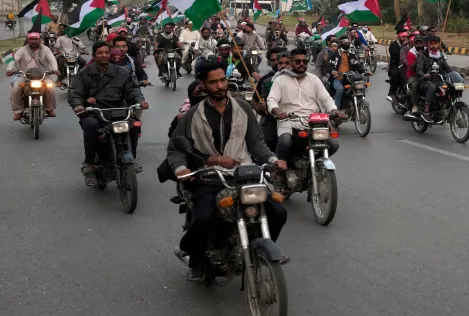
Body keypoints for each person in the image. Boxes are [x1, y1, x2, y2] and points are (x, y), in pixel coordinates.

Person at [167, 60, 289, 279]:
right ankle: (194, 255)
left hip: (244, 173)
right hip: (210, 177)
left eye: (223, 80)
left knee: (278, 212)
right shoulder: (193, 114)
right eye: (213, 82)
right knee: (203, 218)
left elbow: (256, 143)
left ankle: (258, 249)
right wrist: (181, 168)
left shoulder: (243, 108)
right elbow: (176, 149)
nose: (220, 86)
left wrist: (272, 159)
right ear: (203, 85)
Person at [68, 41, 149, 186]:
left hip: (119, 112)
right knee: (91, 127)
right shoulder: (84, 73)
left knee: (135, 125)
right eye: (100, 53)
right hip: (94, 113)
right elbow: (75, 93)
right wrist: (80, 105)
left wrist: (140, 101)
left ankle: (132, 157)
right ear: (94, 55)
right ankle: (90, 164)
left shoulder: (122, 72)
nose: (104, 55)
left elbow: (133, 90)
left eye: (106, 52)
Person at [267, 48, 342, 162]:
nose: (302, 63)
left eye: (304, 61)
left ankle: (309, 163)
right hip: (288, 120)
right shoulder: (280, 80)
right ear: (291, 62)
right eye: (298, 61)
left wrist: (333, 110)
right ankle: (281, 168)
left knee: (333, 145)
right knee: (285, 141)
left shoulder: (314, 79)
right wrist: (278, 112)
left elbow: (326, 98)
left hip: (312, 121)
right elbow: (271, 100)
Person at [6, 31, 59, 120]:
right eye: (31, 39)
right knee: (16, 88)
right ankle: (18, 111)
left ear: (40, 40)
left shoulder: (46, 49)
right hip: (25, 76)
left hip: (43, 75)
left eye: (36, 39)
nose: (34, 41)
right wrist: (9, 69)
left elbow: (52, 60)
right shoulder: (22, 50)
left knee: (51, 88)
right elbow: (14, 60)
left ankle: (49, 109)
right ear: (28, 40)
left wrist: (55, 69)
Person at [255, 49, 291, 151]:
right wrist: (262, 107)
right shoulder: (267, 81)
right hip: (273, 118)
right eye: (280, 63)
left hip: (295, 118)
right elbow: (262, 101)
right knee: (265, 143)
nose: (283, 66)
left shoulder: (301, 78)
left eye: (287, 63)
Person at [414, 35, 453, 123]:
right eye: (431, 44)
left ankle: (445, 107)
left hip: (438, 79)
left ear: (438, 45)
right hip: (425, 80)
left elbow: (447, 68)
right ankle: (426, 111)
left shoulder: (440, 56)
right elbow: (419, 69)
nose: (433, 46)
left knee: (448, 87)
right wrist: (424, 75)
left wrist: (456, 74)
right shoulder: (422, 55)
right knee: (432, 87)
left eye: (435, 43)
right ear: (428, 45)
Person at [405, 34, 425, 118]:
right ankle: (414, 105)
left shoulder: (427, 51)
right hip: (413, 75)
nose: (419, 45)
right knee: (415, 85)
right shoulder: (411, 53)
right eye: (417, 43)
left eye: (421, 43)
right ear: (414, 44)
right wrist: (418, 57)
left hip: (424, 74)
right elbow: (411, 68)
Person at [387, 31, 409, 101]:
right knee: (395, 75)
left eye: (406, 37)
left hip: (407, 64)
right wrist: (403, 47)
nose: (405, 38)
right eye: (403, 37)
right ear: (399, 36)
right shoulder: (393, 45)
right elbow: (396, 54)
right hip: (395, 64)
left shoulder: (409, 45)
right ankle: (392, 93)